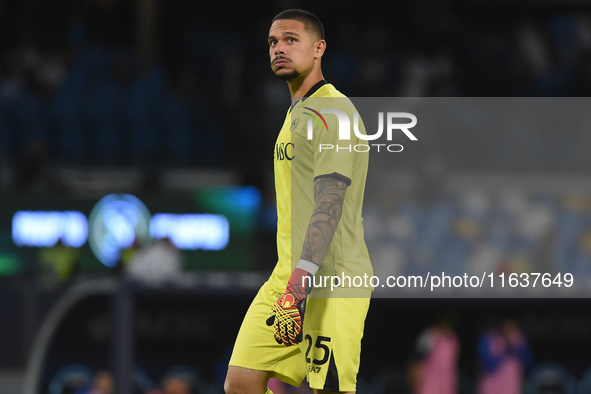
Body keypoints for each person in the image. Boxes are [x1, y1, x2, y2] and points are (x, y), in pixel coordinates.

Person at [225, 9, 373, 394]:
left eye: (291, 39)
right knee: (241, 382)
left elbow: (330, 203)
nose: (279, 48)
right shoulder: (297, 114)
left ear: (319, 48)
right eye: (273, 42)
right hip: (286, 274)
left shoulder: (333, 113)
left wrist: (298, 286)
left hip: (331, 279)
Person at [408, 313, 460, 394]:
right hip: (429, 383)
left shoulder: (452, 338)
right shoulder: (429, 335)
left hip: (446, 384)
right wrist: (414, 379)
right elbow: (416, 358)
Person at [477, 318, 531, 394]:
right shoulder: (488, 339)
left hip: (512, 389)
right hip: (491, 389)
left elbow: (528, 364)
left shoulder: (519, 339)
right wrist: (506, 347)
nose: (510, 331)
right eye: (507, 327)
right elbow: (489, 367)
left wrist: (517, 348)